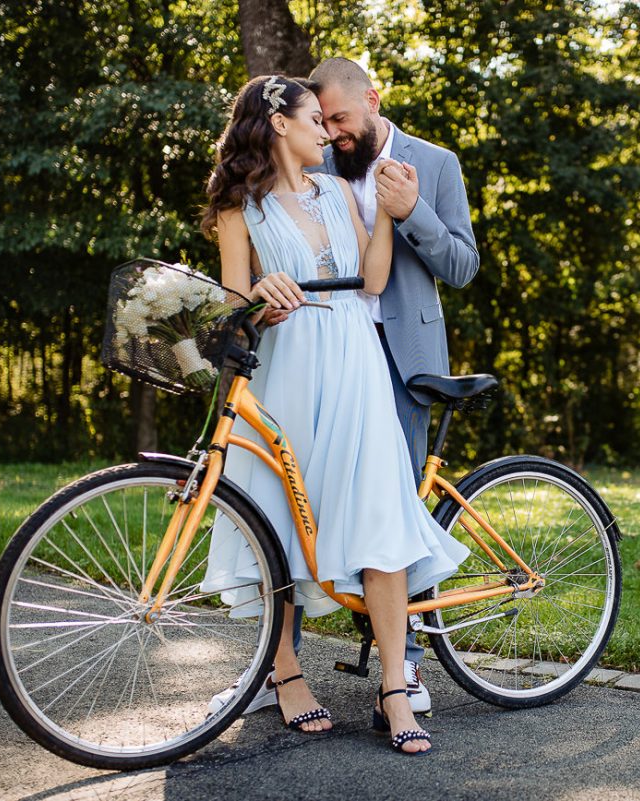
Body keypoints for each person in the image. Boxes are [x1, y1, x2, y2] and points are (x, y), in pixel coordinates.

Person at [198, 74, 469, 755]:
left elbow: (373, 281)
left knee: (379, 514)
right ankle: (287, 675)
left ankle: (395, 687)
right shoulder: (241, 206)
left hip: (356, 362)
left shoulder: (334, 190)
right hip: (291, 363)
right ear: (279, 124)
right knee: (282, 517)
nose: (328, 131)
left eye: (330, 117)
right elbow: (233, 303)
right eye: (316, 119)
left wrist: (383, 213)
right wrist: (261, 293)